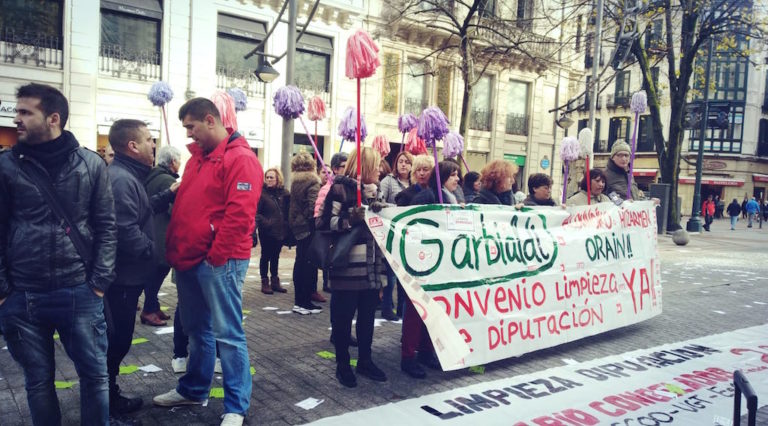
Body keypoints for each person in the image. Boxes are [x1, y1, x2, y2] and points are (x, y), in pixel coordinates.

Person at [0, 83, 117, 425]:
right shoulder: (5, 166)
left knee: (95, 377)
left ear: (53, 118)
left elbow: (107, 226)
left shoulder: (90, 164)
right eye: (17, 111)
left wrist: (99, 283)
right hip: (22, 294)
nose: (16, 119)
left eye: (25, 112)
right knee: (38, 382)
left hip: (79, 289)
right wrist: (3, 290)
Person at [153, 98, 262, 426]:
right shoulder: (197, 160)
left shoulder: (241, 159)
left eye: (192, 126)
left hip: (218, 260)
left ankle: (236, 406)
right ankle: (194, 389)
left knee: (228, 334)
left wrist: (217, 255)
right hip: (191, 258)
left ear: (211, 120)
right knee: (197, 330)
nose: (189, 133)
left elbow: (240, 215)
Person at [316, 147, 388, 388]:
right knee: (343, 319)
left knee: (367, 318)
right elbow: (322, 222)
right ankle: (343, 365)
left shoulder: (376, 192)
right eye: (376, 165)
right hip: (347, 268)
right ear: (365, 167)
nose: (380, 170)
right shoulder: (340, 189)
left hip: (372, 267)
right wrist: (350, 219)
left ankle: (365, 361)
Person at [105, 119, 158, 420]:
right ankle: (107, 402)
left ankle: (108, 395)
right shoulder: (122, 178)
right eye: (149, 139)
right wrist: (151, 251)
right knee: (117, 340)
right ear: (133, 145)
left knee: (118, 339)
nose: (153, 144)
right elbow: (124, 229)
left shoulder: (127, 175)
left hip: (126, 276)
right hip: (122, 278)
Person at [399, 160, 460, 379]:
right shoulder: (427, 197)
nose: (457, 179)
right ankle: (408, 357)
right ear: (442, 177)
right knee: (416, 311)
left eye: (458, 175)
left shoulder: (451, 197)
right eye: (453, 175)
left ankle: (426, 351)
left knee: (434, 310)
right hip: (423, 263)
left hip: (440, 263)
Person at [141, 145, 180, 326]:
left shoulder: (153, 175)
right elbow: (174, 209)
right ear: (173, 162)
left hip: (152, 229)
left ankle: (153, 306)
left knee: (155, 271)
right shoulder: (167, 181)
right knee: (158, 271)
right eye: (179, 160)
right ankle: (149, 309)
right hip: (162, 231)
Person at [378, 151, 413, 321]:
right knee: (390, 274)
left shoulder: (414, 183)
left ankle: (401, 308)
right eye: (400, 161)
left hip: (409, 235)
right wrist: (398, 210)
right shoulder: (388, 181)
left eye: (407, 162)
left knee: (405, 276)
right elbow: (379, 202)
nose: (403, 164)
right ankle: (386, 307)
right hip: (391, 232)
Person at [289, 152, 323, 315]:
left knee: (300, 262)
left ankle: (299, 301)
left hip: (297, 225)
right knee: (307, 265)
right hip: (308, 227)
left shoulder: (295, 182)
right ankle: (304, 302)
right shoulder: (313, 181)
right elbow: (313, 206)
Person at [315, 152, 347, 294]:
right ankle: (327, 282)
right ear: (336, 169)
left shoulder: (347, 185)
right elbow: (320, 213)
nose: (347, 169)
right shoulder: (328, 188)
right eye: (344, 166)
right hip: (330, 231)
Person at [256, 167, 290, 295]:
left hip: (280, 230)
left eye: (271, 177)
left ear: (277, 179)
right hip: (266, 231)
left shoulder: (284, 193)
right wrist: (267, 223)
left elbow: (288, 211)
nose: (269, 179)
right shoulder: (261, 194)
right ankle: (264, 281)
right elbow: (256, 213)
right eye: (267, 177)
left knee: (276, 256)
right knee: (265, 255)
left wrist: (286, 224)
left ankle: (275, 281)